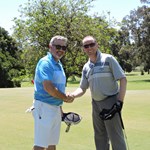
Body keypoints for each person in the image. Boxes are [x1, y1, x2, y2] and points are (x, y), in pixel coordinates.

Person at [70, 36, 127, 150]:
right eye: (86, 46)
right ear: (83, 49)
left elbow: (123, 79)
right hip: (96, 104)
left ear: (97, 45)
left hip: (111, 102)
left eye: (92, 44)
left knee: (115, 137)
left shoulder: (108, 59)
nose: (89, 48)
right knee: (100, 136)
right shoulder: (86, 67)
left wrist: (119, 102)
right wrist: (72, 95)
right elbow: (82, 88)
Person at [32, 35, 74, 150]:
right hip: (44, 107)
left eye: (64, 48)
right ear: (50, 46)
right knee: (40, 145)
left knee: (52, 144)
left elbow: (58, 89)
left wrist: (60, 108)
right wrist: (65, 97)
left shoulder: (58, 64)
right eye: (58, 46)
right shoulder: (46, 63)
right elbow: (48, 87)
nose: (61, 50)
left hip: (55, 108)